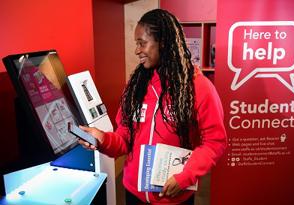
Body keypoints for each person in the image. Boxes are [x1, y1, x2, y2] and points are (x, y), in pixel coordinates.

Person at [79, 9, 227, 205]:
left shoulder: (199, 87)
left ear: (163, 42)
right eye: (136, 44)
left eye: (142, 43)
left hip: (174, 196)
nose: (137, 50)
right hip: (133, 193)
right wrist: (103, 139)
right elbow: (124, 139)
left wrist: (186, 176)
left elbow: (214, 142)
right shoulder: (136, 87)